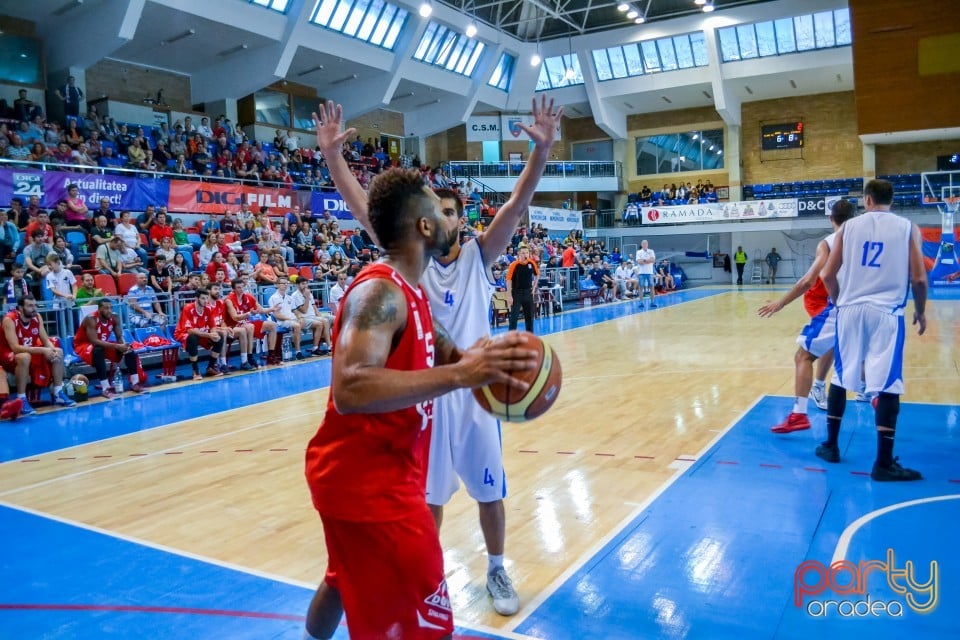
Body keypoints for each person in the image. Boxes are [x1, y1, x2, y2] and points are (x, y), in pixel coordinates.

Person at [315, 95, 561, 617]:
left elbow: (516, 205)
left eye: (450, 209)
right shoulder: (406, 262)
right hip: (423, 395)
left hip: (475, 390)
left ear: (458, 220)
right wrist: (335, 159)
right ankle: (428, 574)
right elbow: (366, 209)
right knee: (426, 501)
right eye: (436, 209)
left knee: (489, 490)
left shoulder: (478, 255)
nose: (443, 216)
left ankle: (495, 568)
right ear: (423, 224)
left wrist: (539, 154)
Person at [819, 179, 927, 481]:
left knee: (841, 376)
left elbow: (827, 273)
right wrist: (920, 310)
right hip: (886, 313)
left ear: (866, 200)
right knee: (888, 384)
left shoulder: (848, 228)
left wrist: (841, 302)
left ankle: (830, 445)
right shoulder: (907, 228)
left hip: (849, 311)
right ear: (891, 200)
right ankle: (883, 463)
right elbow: (918, 279)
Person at [758, 200, 856, 433]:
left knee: (803, 356)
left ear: (831, 219)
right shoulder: (870, 238)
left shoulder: (830, 242)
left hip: (842, 306)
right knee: (859, 364)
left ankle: (800, 413)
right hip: (876, 309)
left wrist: (780, 303)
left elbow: (811, 279)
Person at [0, 295, 76, 414]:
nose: (34, 309)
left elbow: (45, 340)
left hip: (30, 352)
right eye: (30, 306)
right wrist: (43, 350)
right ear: (20, 308)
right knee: (24, 356)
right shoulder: (9, 320)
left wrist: (52, 350)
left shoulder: (37, 317)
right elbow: (15, 348)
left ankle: (58, 392)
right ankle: (21, 398)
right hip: (7, 355)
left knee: (58, 351)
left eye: (35, 305)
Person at [74, 298, 147, 399]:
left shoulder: (114, 317)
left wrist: (123, 347)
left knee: (129, 349)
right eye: (106, 308)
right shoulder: (90, 319)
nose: (109, 310)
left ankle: (135, 383)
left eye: (110, 308)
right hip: (84, 345)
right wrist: (117, 346)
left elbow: (119, 337)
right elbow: (94, 341)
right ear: (99, 309)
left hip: (102, 344)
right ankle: (105, 388)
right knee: (98, 350)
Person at [174, 288, 224, 381]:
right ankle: (195, 370)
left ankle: (211, 367)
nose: (205, 301)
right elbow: (190, 331)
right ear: (196, 299)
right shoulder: (188, 308)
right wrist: (209, 335)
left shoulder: (208, 308)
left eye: (206, 298)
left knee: (219, 337)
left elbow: (212, 326)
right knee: (192, 338)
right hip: (183, 333)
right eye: (203, 298)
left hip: (201, 333)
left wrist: (214, 334)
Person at [506, 244, 539, 332]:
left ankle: (530, 337)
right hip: (517, 293)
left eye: (527, 253)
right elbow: (508, 280)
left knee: (529, 318)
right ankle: (511, 339)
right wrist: (509, 295)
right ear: (519, 254)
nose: (525, 255)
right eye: (523, 253)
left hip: (528, 293)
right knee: (514, 318)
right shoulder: (514, 265)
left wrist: (534, 287)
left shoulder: (531, 263)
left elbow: (537, 274)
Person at [635, 239, 657, 306]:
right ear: (641, 245)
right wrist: (648, 260)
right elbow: (639, 261)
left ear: (647, 244)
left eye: (646, 244)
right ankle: (641, 302)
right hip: (641, 272)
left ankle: (652, 302)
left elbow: (653, 260)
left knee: (651, 287)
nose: (644, 245)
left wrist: (644, 260)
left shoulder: (651, 251)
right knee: (641, 287)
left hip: (650, 272)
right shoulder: (638, 252)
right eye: (643, 244)